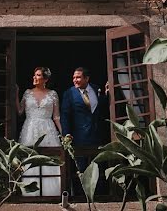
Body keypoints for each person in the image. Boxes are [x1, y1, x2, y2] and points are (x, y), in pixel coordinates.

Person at [60, 67, 109, 195]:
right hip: (79, 136)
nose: (75, 80)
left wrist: (107, 94)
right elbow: (65, 115)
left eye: (78, 77)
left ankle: (99, 194)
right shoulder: (69, 93)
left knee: (97, 166)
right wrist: (66, 134)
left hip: (96, 135)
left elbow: (99, 107)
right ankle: (82, 195)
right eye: (74, 77)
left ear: (87, 78)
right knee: (81, 167)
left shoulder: (95, 88)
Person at [15, 66, 62, 196]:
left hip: (48, 129)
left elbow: (56, 117)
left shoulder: (53, 94)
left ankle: (51, 192)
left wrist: (63, 134)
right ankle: (30, 193)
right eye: (34, 75)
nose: (34, 78)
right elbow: (19, 111)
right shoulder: (27, 92)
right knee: (29, 158)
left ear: (45, 79)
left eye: (38, 75)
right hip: (30, 129)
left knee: (49, 158)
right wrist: (16, 93)